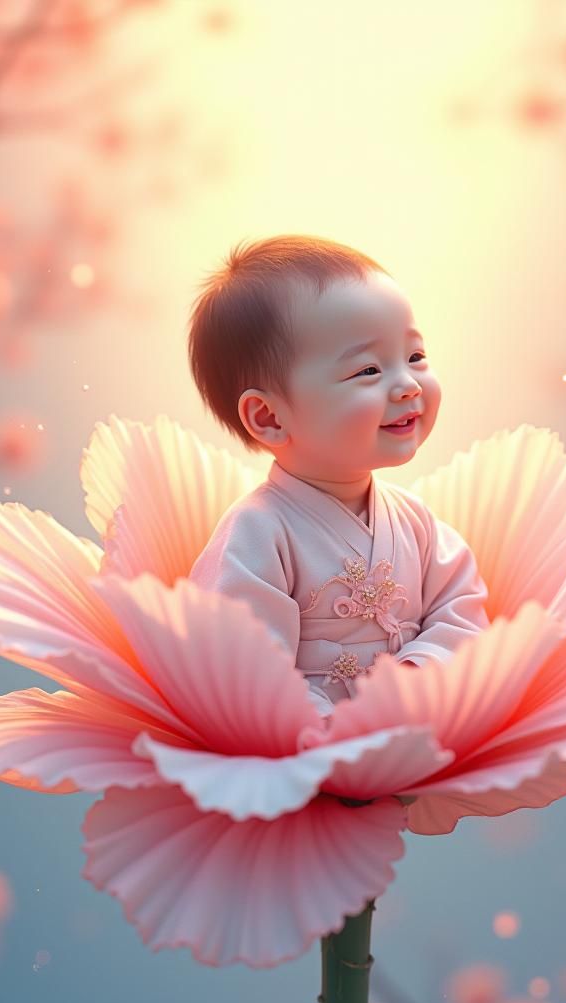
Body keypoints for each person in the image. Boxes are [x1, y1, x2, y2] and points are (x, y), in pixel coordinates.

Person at [186, 234, 490, 714]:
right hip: (304, 761)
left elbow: (463, 615)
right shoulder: (257, 534)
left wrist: (415, 681)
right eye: (368, 370)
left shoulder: (417, 523)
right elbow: (241, 672)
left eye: (414, 357)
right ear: (267, 417)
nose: (408, 384)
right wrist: (338, 732)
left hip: (417, 739)